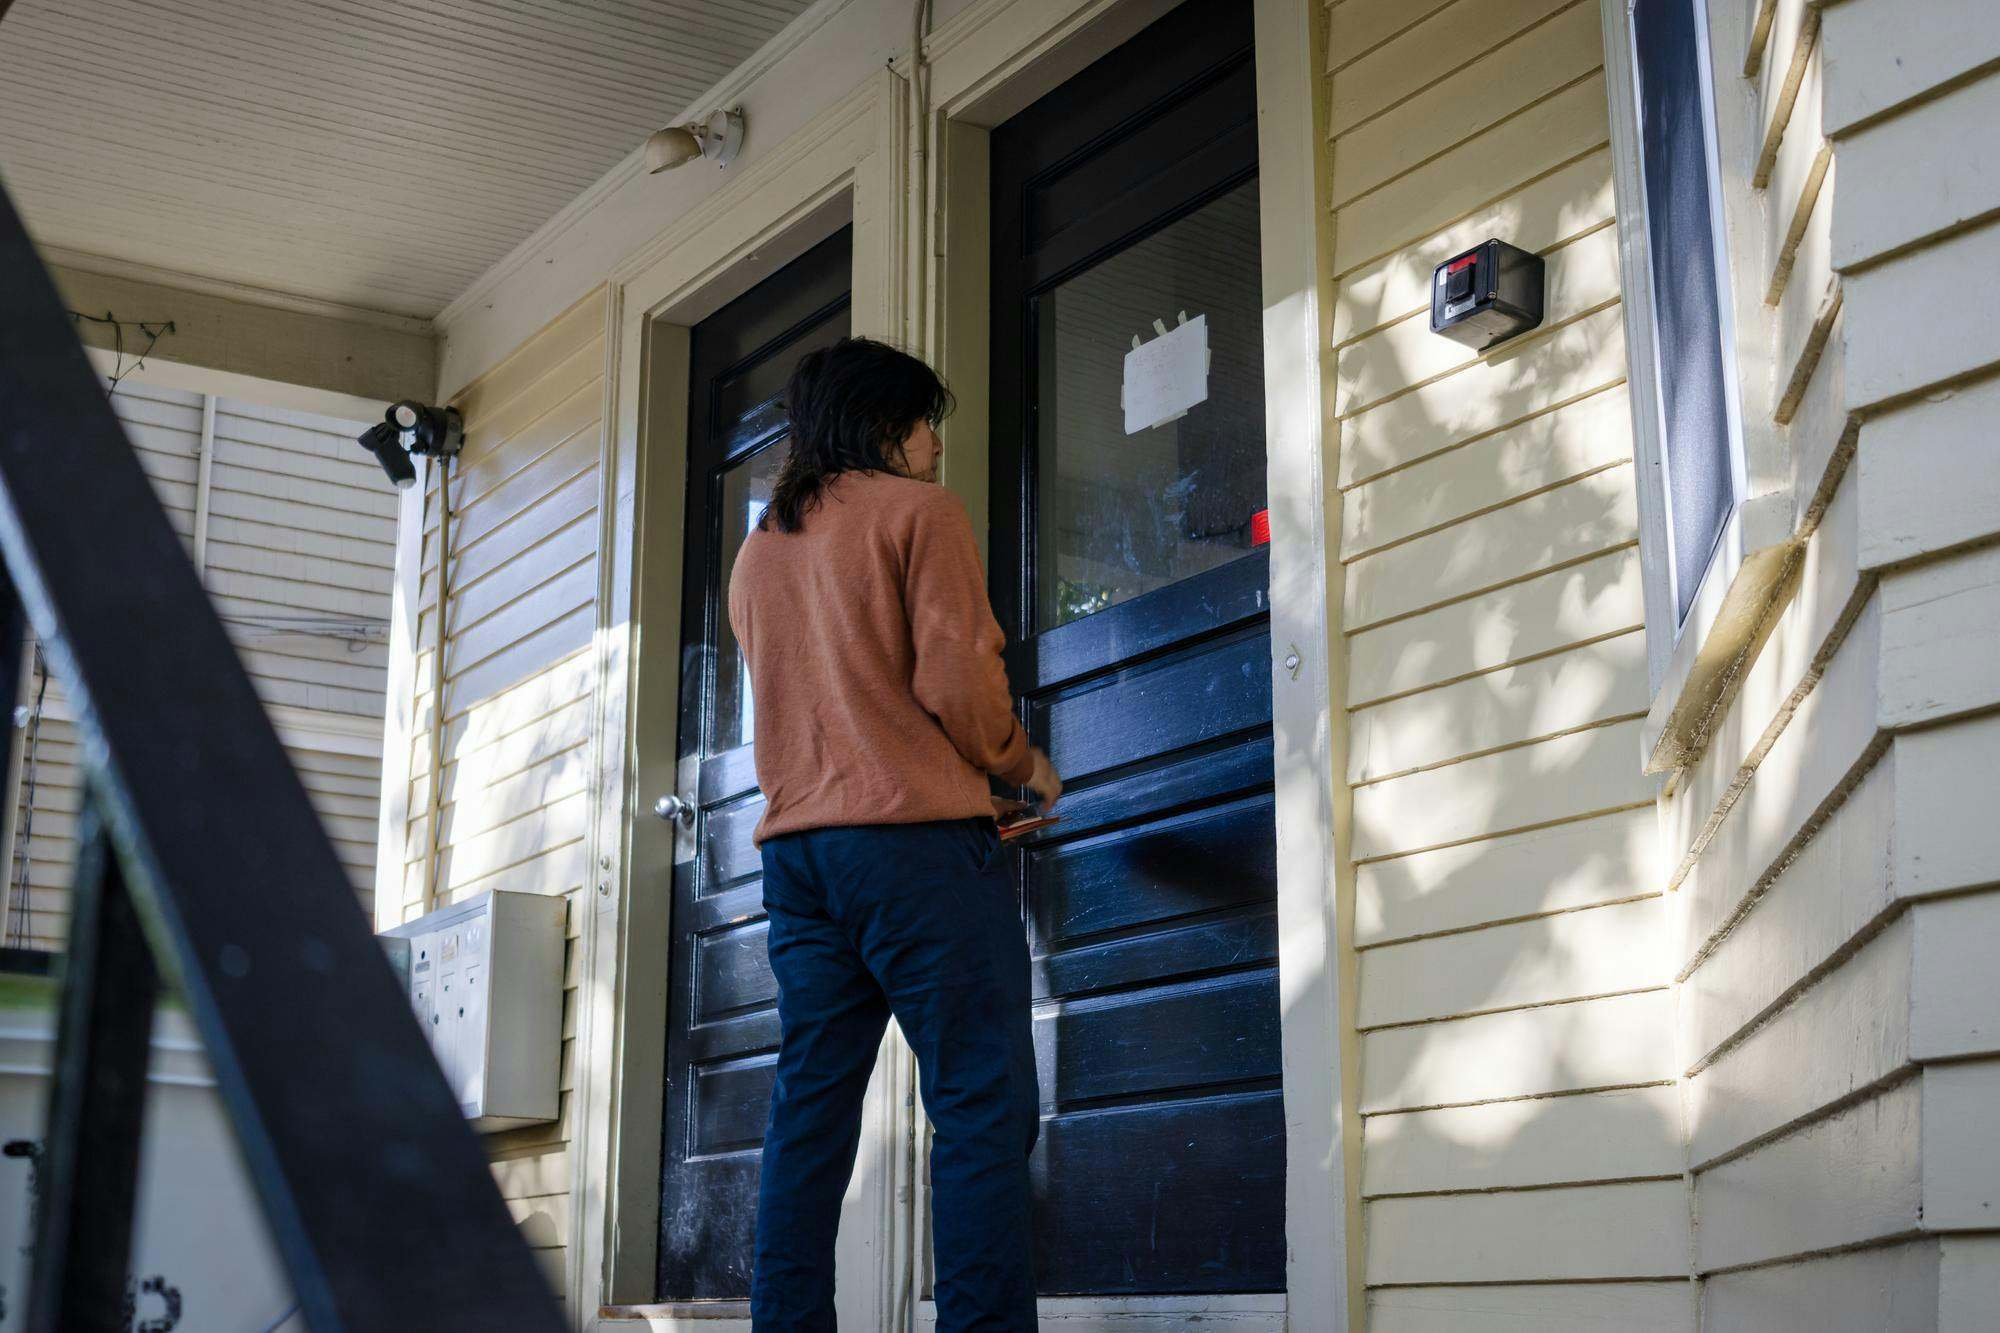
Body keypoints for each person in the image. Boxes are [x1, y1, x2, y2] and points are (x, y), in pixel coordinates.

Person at [730, 336, 1062, 1332]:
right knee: (978, 1103)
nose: (934, 448)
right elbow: (955, 683)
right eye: (927, 424)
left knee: (809, 1119)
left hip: (799, 865)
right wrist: (1017, 765)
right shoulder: (921, 515)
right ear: (883, 423)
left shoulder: (760, 551)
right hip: (913, 855)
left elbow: (822, 700)